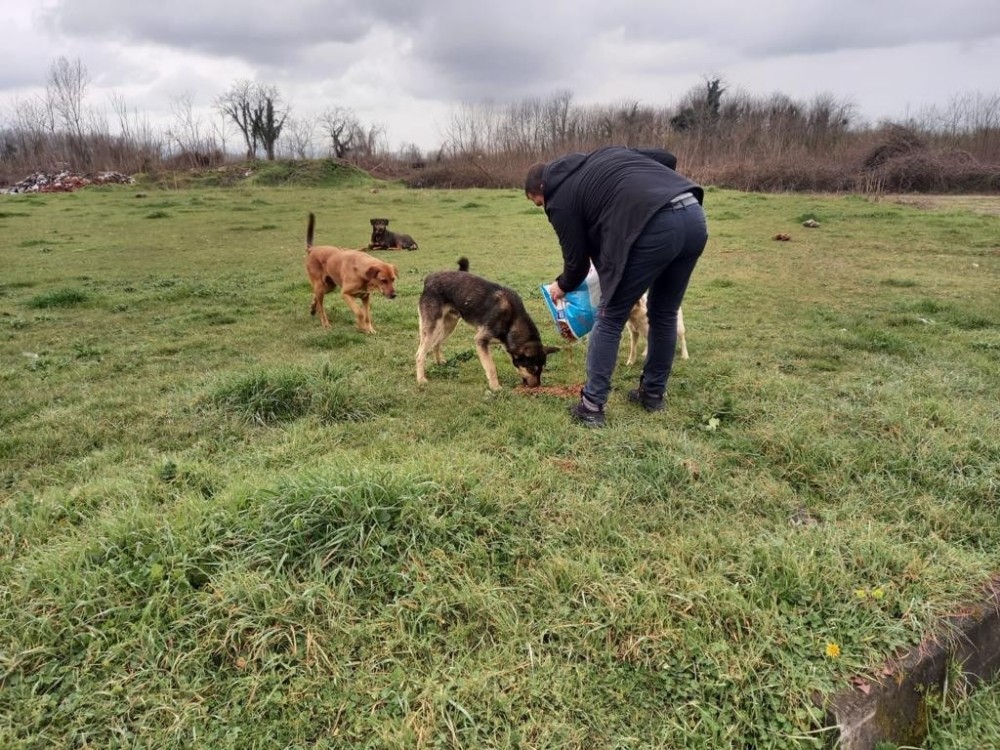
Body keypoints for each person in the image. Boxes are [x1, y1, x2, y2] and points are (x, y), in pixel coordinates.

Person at [525, 146, 708, 427]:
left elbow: (577, 264)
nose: (544, 209)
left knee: (610, 315)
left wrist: (562, 286)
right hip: (693, 216)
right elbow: (667, 159)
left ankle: (591, 406)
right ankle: (652, 394)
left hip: (653, 227)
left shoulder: (558, 197)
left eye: (539, 204)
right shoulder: (605, 156)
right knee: (664, 313)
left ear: (542, 188)